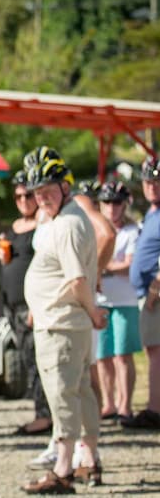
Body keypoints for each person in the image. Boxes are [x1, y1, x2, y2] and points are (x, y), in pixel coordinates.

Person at [21, 156, 106, 494]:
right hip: (62, 320)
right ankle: (89, 460)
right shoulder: (66, 218)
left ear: (65, 187)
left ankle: (63, 468)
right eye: (37, 192)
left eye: (47, 190)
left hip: (62, 322)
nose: (41, 197)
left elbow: (77, 279)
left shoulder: (69, 224)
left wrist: (93, 311)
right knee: (81, 390)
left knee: (62, 395)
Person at [1, 171, 51, 437]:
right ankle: (40, 411)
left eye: (28, 195)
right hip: (12, 303)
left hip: (31, 305)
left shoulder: (43, 225)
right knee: (26, 358)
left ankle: (45, 416)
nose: (22, 199)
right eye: (18, 195)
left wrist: (35, 304)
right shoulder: (16, 225)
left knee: (38, 360)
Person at [96, 181, 140, 421]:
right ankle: (108, 402)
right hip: (101, 299)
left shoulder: (132, 232)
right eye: (107, 202)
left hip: (125, 300)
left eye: (116, 202)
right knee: (103, 355)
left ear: (125, 205)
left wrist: (104, 266)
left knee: (123, 354)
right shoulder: (95, 231)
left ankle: (125, 403)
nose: (112, 207)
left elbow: (129, 266)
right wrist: (112, 266)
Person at [124, 156, 160, 430]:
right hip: (145, 291)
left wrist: (155, 287)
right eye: (148, 181)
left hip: (155, 293)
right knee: (152, 351)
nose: (152, 187)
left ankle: (154, 409)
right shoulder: (150, 213)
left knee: (156, 352)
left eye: (157, 181)